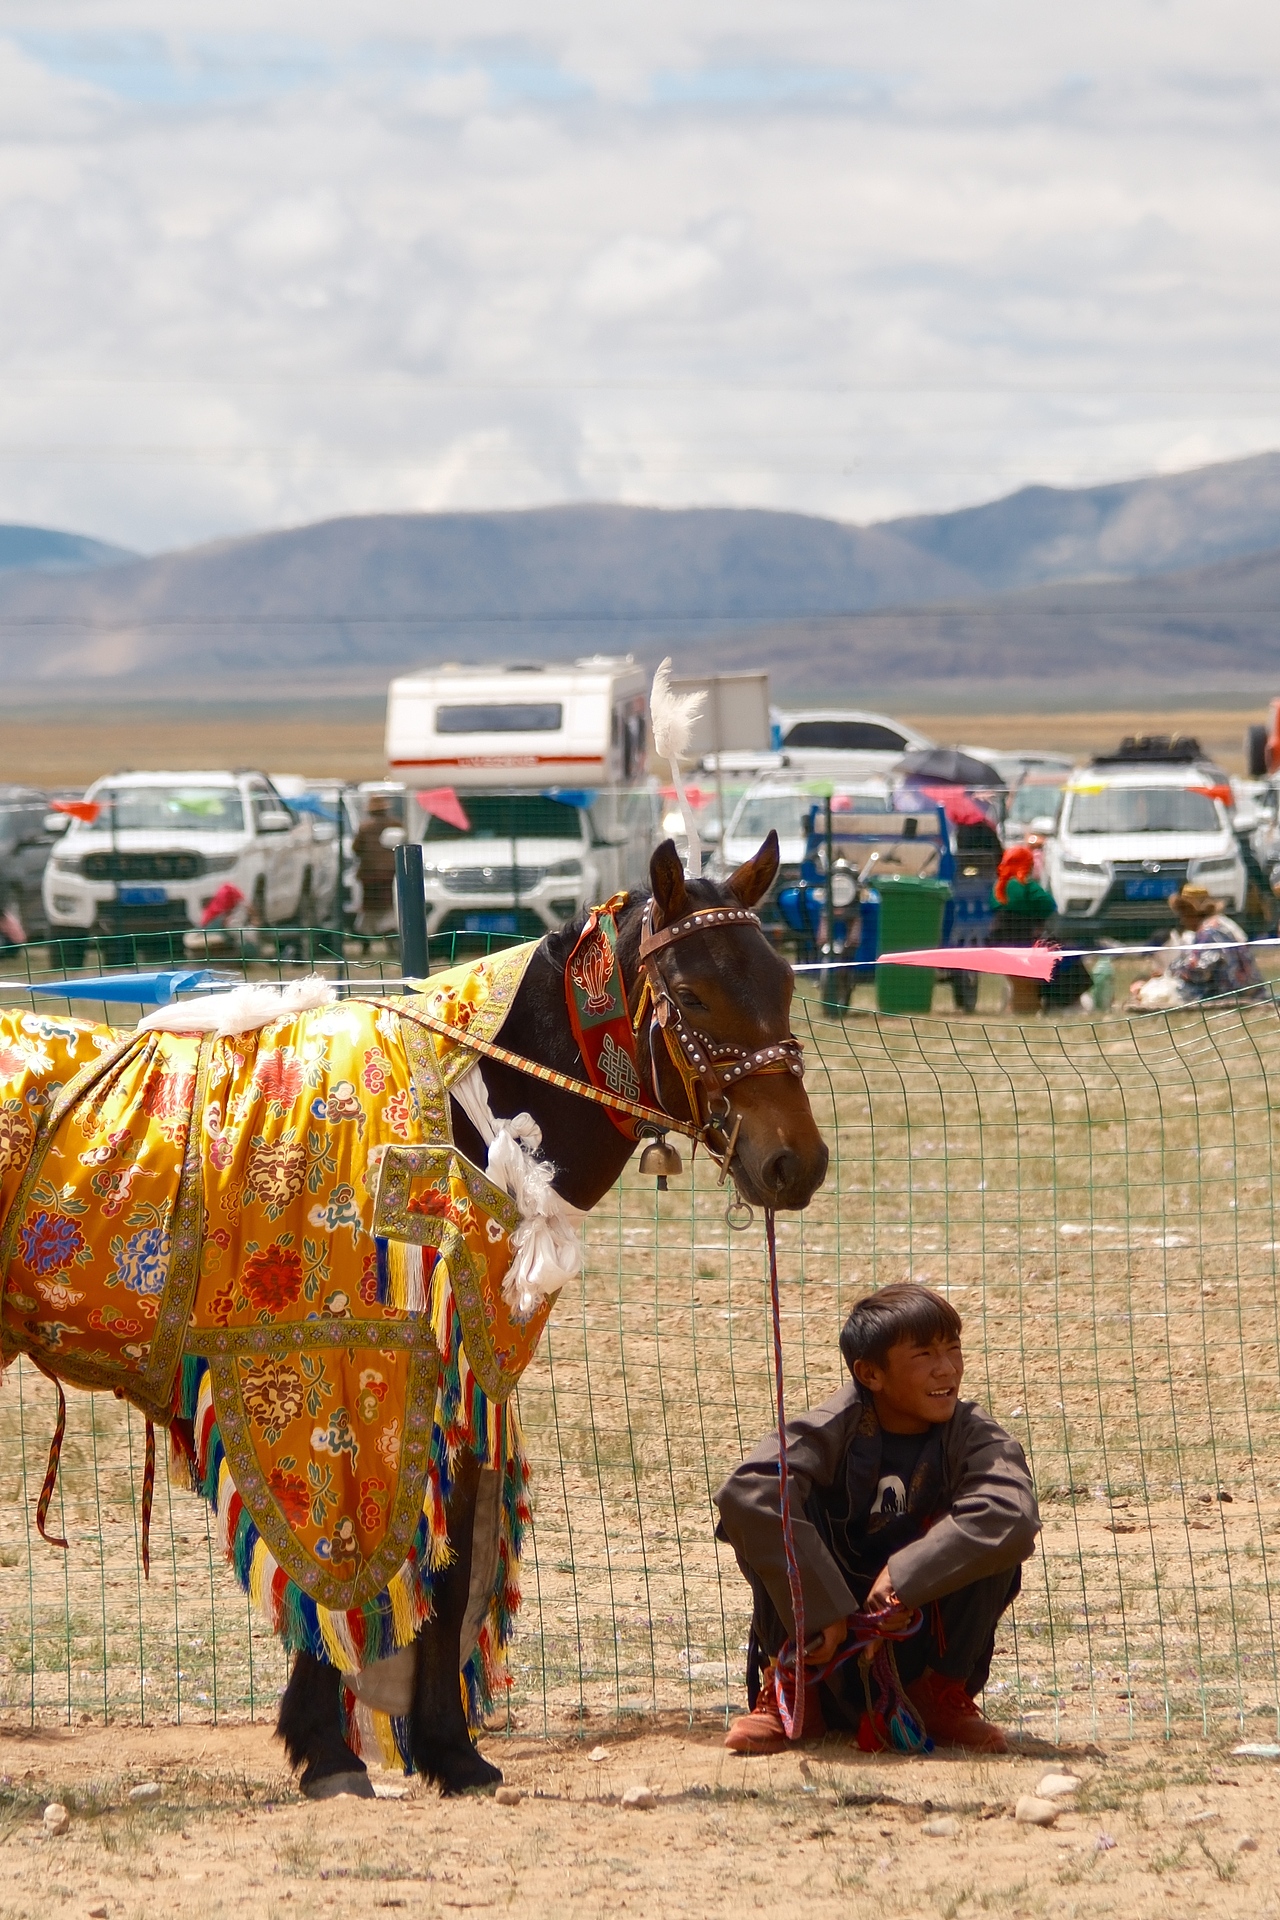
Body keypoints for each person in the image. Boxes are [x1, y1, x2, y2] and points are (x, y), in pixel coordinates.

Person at [715, 1283, 1039, 1756]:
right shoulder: (831, 1427)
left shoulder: (973, 1433)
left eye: (953, 1350)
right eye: (924, 1354)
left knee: (992, 1534)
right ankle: (792, 1692)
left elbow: (1011, 1513)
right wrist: (825, 1609)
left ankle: (940, 1695)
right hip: (824, 1641)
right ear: (870, 1374)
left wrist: (903, 1578)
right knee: (774, 1512)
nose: (946, 1368)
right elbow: (749, 1493)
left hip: (918, 1635)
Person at [989, 843, 1092, 1011]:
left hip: (1002, 944)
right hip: (1029, 943)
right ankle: (1061, 1003)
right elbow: (1050, 905)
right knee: (1067, 955)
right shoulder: (1026, 885)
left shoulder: (998, 887)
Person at [1130, 883, 1264, 1009]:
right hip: (1247, 989)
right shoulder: (1222, 924)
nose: (1182, 920)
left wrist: (1171, 972)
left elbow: (1201, 970)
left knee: (1162, 993)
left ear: (1192, 913)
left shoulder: (1209, 932)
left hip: (1230, 991)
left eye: (1183, 914)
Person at [353, 794, 398, 937]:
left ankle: (366, 935)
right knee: (389, 905)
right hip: (389, 874)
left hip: (369, 874)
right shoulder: (396, 825)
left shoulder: (365, 827)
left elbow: (356, 848)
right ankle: (388, 931)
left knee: (369, 907)